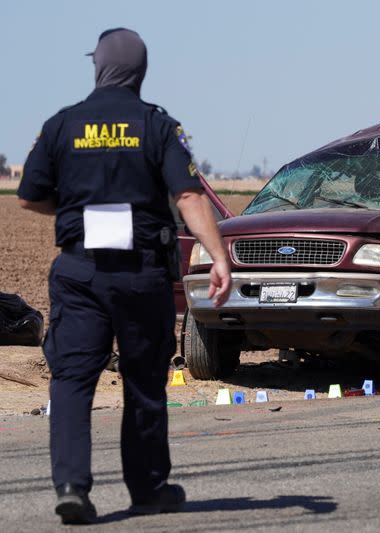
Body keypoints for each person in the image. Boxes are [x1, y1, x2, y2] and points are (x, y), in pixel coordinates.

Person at [17, 28, 232, 524]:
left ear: (99, 67)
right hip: (141, 272)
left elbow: (28, 196)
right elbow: (188, 196)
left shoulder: (61, 125)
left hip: (78, 270)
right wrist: (217, 254)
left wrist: (75, 212)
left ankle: (71, 486)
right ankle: (148, 489)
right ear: (140, 70)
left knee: (72, 379)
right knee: (142, 381)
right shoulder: (157, 127)